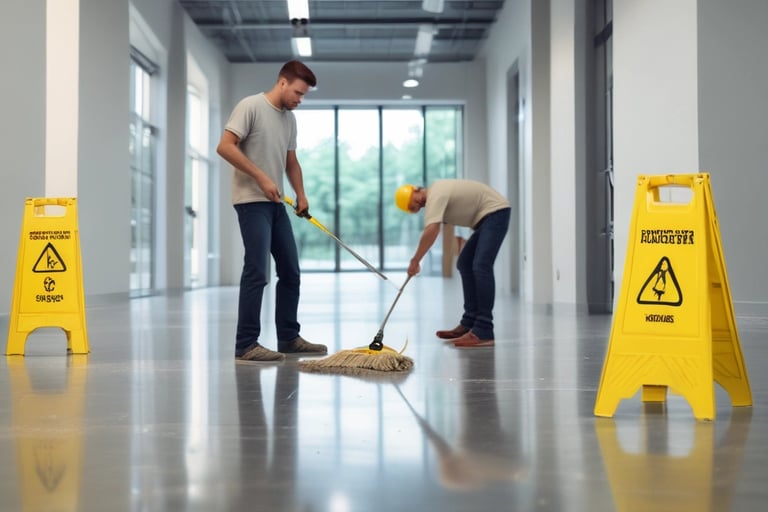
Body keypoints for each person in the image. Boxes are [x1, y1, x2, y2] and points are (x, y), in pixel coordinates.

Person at [217, 60, 327, 362]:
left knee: (291, 271)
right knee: (257, 271)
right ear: (282, 82)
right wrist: (262, 176)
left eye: (304, 95)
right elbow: (225, 146)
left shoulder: (289, 119)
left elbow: (291, 162)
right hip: (251, 202)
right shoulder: (250, 106)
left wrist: (301, 194)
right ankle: (246, 344)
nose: (300, 100)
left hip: (276, 204)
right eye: (298, 92)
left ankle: (289, 338)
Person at [395, 179, 511, 348]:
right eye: (414, 208)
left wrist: (415, 260)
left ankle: (484, 330)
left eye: (414, 200)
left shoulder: (435, 193)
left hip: (495, 213)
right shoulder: (436, 197)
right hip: (486, 219)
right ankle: (469, 323)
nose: (418, 205)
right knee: (464, 263)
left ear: (416, 190)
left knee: (481, 266)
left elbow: (432, 229)